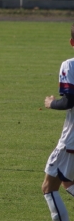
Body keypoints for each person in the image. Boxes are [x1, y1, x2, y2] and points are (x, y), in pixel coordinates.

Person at [42, 24, 74, 221]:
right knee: (67, 181)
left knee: (48, 187)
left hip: (71, 141)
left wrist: (51, 103)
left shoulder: (70, 65)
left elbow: (69, 101)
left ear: (72, 42)